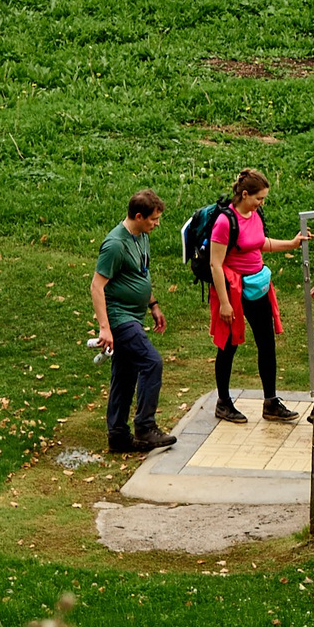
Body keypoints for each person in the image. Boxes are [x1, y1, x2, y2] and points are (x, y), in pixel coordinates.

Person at [209, 168, 312, 425]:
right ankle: (223, 402)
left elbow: (259, 243)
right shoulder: (224, 222)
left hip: (258, 289)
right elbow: (215, 264)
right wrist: (224, 302)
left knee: (267, 343)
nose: (261, 203)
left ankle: (271, 402)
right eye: (259, 198)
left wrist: (290, 243)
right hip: (234, 292)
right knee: (229, 346)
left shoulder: (254, 214)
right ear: (245, 194)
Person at [92, 188, 175, 454]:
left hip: (135, 316)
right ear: (138, 216)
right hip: (120, 317)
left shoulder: (141, 236)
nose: (156, 223)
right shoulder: (115, 244)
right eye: (153, 219)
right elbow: (96, 286)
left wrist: (153, 305)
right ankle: (145, 427)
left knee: (125, 374)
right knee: (152, 362)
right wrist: (106, 328)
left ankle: (118, 436)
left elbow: (141, 274)